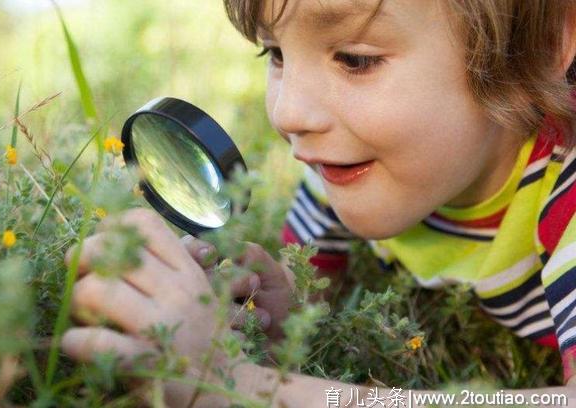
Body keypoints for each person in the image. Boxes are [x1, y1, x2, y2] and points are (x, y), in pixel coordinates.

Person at [61, 0, 576, 405]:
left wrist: (240, 389)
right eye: (276, 54)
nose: (289, 114)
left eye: (356, 59)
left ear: (543, 45)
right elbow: (312, 302)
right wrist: (286, 311)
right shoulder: (345, 164)